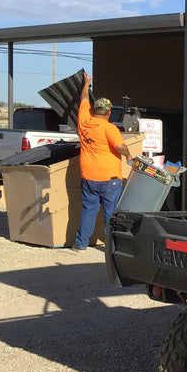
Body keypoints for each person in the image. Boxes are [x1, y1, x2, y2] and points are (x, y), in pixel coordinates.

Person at [71, 72, 132, 251]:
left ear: (94, 110)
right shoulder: (109, 128)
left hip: (88, 176)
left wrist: (86, 84)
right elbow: (120, 147)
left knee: (88, 210)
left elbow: (83, 99)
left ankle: (80, 244)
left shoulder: (83, 120)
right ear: (109, 112)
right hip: (109, 178)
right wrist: (129, 156)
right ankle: (111, 247)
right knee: (111, 213)